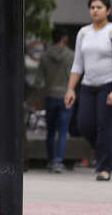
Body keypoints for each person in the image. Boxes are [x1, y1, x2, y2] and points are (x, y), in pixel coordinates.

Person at [65, 0, 112, 181]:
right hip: (88, 85)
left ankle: (104, 168)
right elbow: (78, 64)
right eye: (92, 7)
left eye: (99, 7)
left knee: (105, 126)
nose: (95, 10)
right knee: (84, 125)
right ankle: (106, 152)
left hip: (110, 84)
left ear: (108, 11)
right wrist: (70, 89)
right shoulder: (83, 33)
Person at [35, 27, 75, 173]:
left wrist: (37, 98)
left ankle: (51, 161)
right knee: (63, 131)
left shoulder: (45, 56)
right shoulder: (71, 55)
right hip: (66, 96)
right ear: (64, 38)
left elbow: (38, 79)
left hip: (50, 96)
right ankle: (59, 160)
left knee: (50, 131)